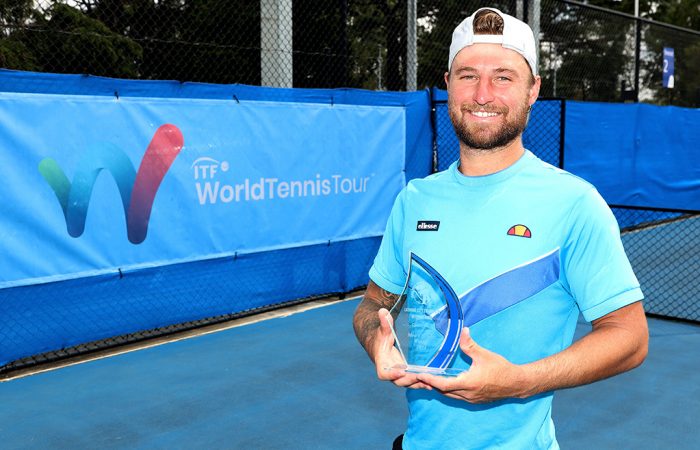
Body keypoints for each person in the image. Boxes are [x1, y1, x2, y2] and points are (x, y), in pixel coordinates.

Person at [352, 7, 648, 450]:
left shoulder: (574, 203)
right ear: (448, 85)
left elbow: (630, 337)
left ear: (533, 91)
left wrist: (519, 382)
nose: (483, 93)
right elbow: (374, 303)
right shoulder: (415, 199)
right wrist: (377, 340)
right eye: (468, 75)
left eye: (504, 77)